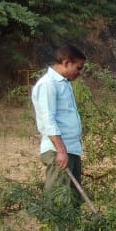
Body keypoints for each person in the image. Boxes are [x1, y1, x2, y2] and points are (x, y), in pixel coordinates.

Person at [31, 44, 87, 205]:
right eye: (78, 67)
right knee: (57, 199)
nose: (79, 72)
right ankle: (53, 230)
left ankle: (74, 230)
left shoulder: (64, 83)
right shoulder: (48, 84)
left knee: (72, 199)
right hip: (59, 151)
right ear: (66, 62)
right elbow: (48, 119)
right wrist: (61, 150)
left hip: (72, 148)